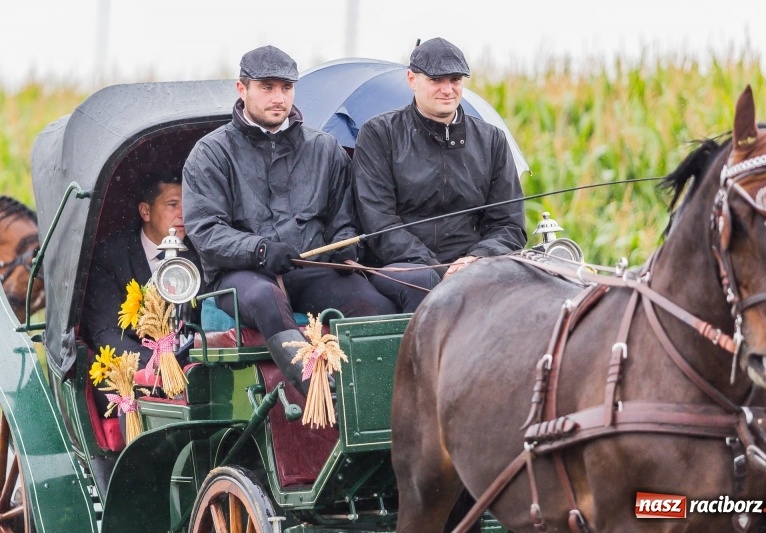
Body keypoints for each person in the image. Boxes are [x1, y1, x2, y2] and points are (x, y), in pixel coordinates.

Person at [182, 45, 396, 397]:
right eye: (267, 88)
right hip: (239, 277)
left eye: (286, 87)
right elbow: (207, 232)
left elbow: (343, 220)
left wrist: (347, 249)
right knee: (266, 298)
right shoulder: (211, 153)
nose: (278, 98)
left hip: (310, 268)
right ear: (242, 89)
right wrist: (260, 250)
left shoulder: (325, 149)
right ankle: (317, 392)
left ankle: (378, 398)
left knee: (374, 304)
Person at [352, 37, 527, 312]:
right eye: (436, 80)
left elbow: (510, 225)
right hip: (403, 268)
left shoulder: (492, 140)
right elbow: (379, 224)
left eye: (455, 79)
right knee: (424, 280)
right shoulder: (379, 133)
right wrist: (437, 267)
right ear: (412, 79)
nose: (447, 90)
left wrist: (477, 257)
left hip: (473, 264)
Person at [82, 171, 201, 368]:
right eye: (173, 205)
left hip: (193, 366)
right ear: (145, 211)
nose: (183, 214)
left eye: (186, 205)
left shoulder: (199, 253)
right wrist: (155, 363)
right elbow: (105, 332)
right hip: (134, 367)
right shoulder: (111, 257)